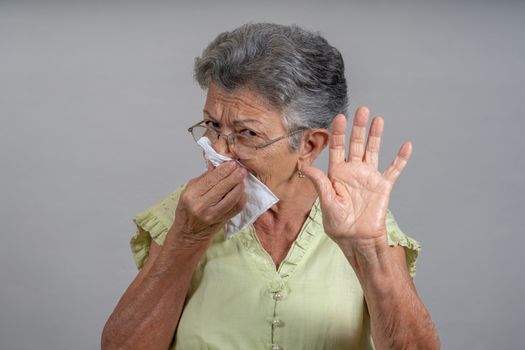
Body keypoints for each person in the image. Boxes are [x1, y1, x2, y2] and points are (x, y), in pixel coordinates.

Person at [102, 22, 440, 350]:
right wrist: (187, 237)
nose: (217, 150)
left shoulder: (360, 220)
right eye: (212, 125)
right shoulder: (184, 214)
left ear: (308, 146)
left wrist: (369, 251)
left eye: (246, 133)